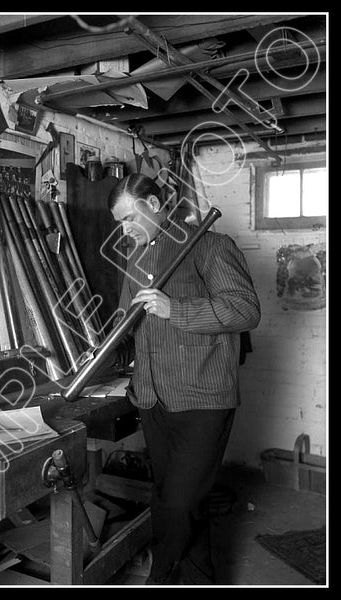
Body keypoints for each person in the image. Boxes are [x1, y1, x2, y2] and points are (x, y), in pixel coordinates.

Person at [108, 173, 261, 585]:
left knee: (176, 505)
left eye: (128, 219)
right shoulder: (135, 258)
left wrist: (176, 309)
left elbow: (245, 310)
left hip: (203, 399)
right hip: (154, 397)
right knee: (178, 501)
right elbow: (128, 319)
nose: (124, 230)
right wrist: (107, 346)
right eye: (119, 223)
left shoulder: (210, 246)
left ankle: (158, 578)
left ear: (155, 205)